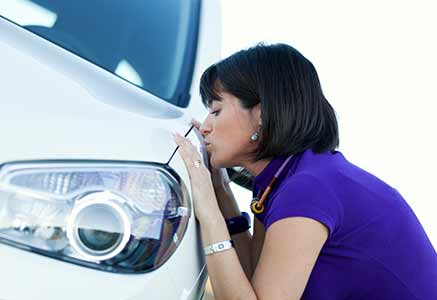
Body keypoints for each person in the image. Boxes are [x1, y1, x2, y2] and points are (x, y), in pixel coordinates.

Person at [173, 43, 437, 300]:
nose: (205, 126)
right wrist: (220, 191)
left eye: (216, 111)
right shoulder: (282, 180)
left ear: (262, 115)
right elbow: (253, 278)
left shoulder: (308, 188)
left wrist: (209, 211)